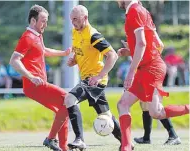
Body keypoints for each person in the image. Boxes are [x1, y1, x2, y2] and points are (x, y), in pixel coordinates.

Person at [116, 1, 189, 151]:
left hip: (151, 69)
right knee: (123, 104)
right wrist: (131, 51)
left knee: (156, 112)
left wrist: (131, 71)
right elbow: (159, 44)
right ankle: (126, 145)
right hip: (146, 68)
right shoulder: (141, 10)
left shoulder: (135, 11)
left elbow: (142, 44)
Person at [64, 5, 130, 151]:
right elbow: (80, 51)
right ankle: (127, 143)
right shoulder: (75, 32)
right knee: (105, 115)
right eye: (71, 19)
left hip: (93, 80)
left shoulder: (94, 35)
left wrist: (100, 76)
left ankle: (79, 140)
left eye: (75, 19)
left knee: (69, 99)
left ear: (85, 18)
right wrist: (74, 60)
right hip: (88, 79)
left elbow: (112, 55)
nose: (73, 22)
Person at [9, 4, 71, 151]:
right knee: (68, 99)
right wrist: (31, 77)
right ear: (32, 21)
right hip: (34, 85)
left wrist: (63, 53)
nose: (46, 24)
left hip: (38, 84)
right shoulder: (27, 37)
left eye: (46, 20)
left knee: (64, 108)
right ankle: (50, 139)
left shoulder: (37, 36)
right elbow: (14, 60)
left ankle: (63, 146)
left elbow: (43, 51)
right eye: (43, 20)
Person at [121, 42, 181, 145]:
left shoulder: (143, 35)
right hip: (142, 73)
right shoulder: (137, 36)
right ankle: (146, 138)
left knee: (154, 107)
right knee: (145, 106)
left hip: (150, 73)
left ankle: (173, 135)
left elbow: (158, 46)